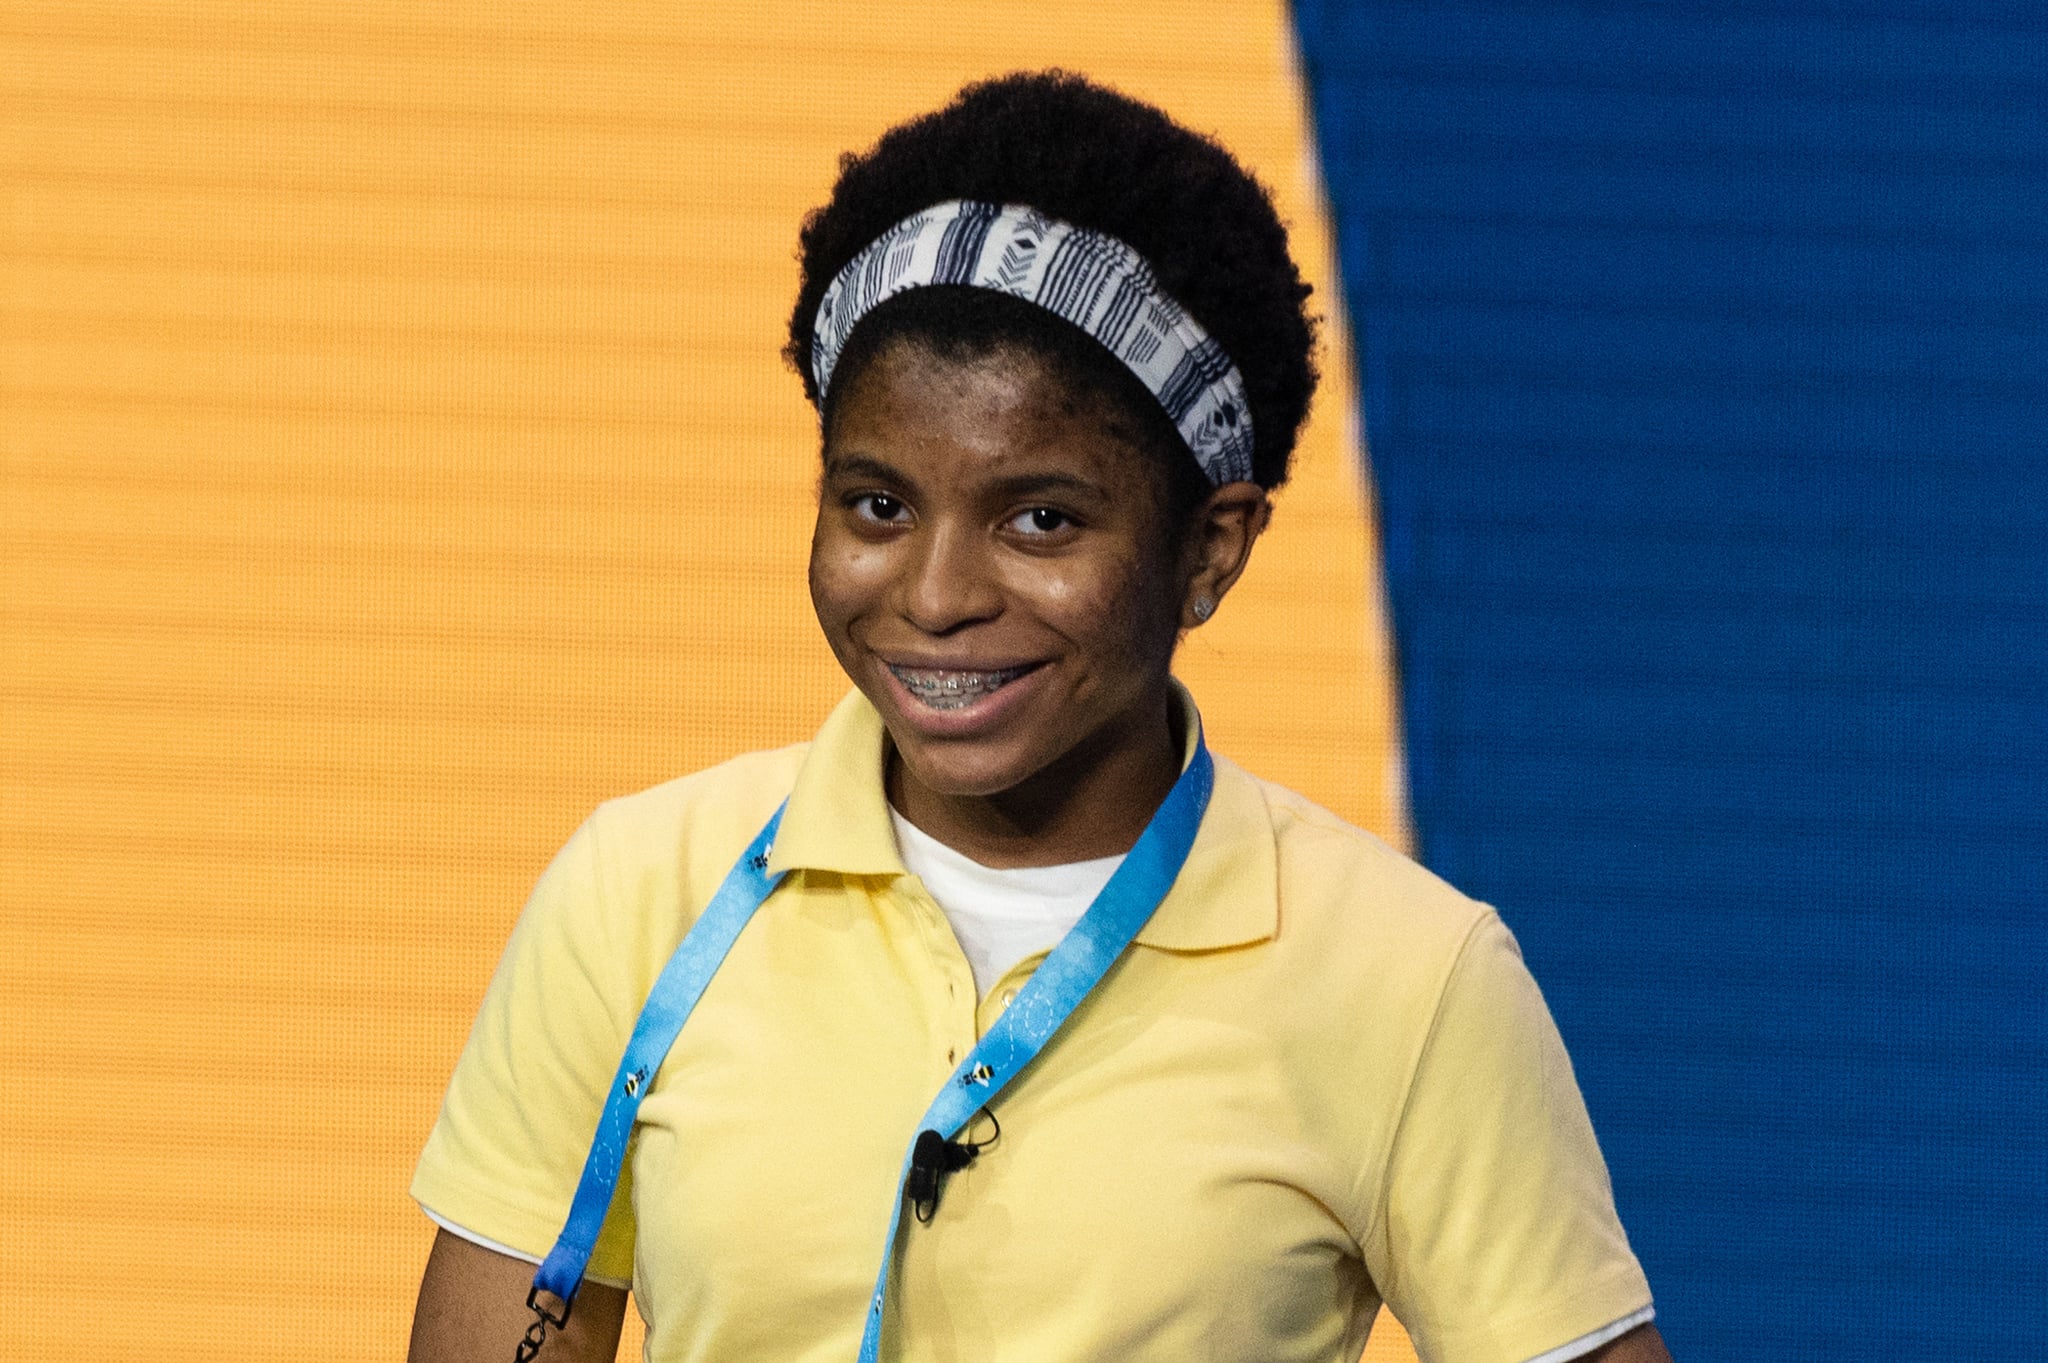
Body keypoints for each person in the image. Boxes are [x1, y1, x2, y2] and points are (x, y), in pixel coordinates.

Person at [406, 71, 1671, 1363]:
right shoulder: (638, 891)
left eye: (1041, 521)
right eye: (878, 506)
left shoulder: (1410, 979)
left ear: (1209, 552)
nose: (936, 596)